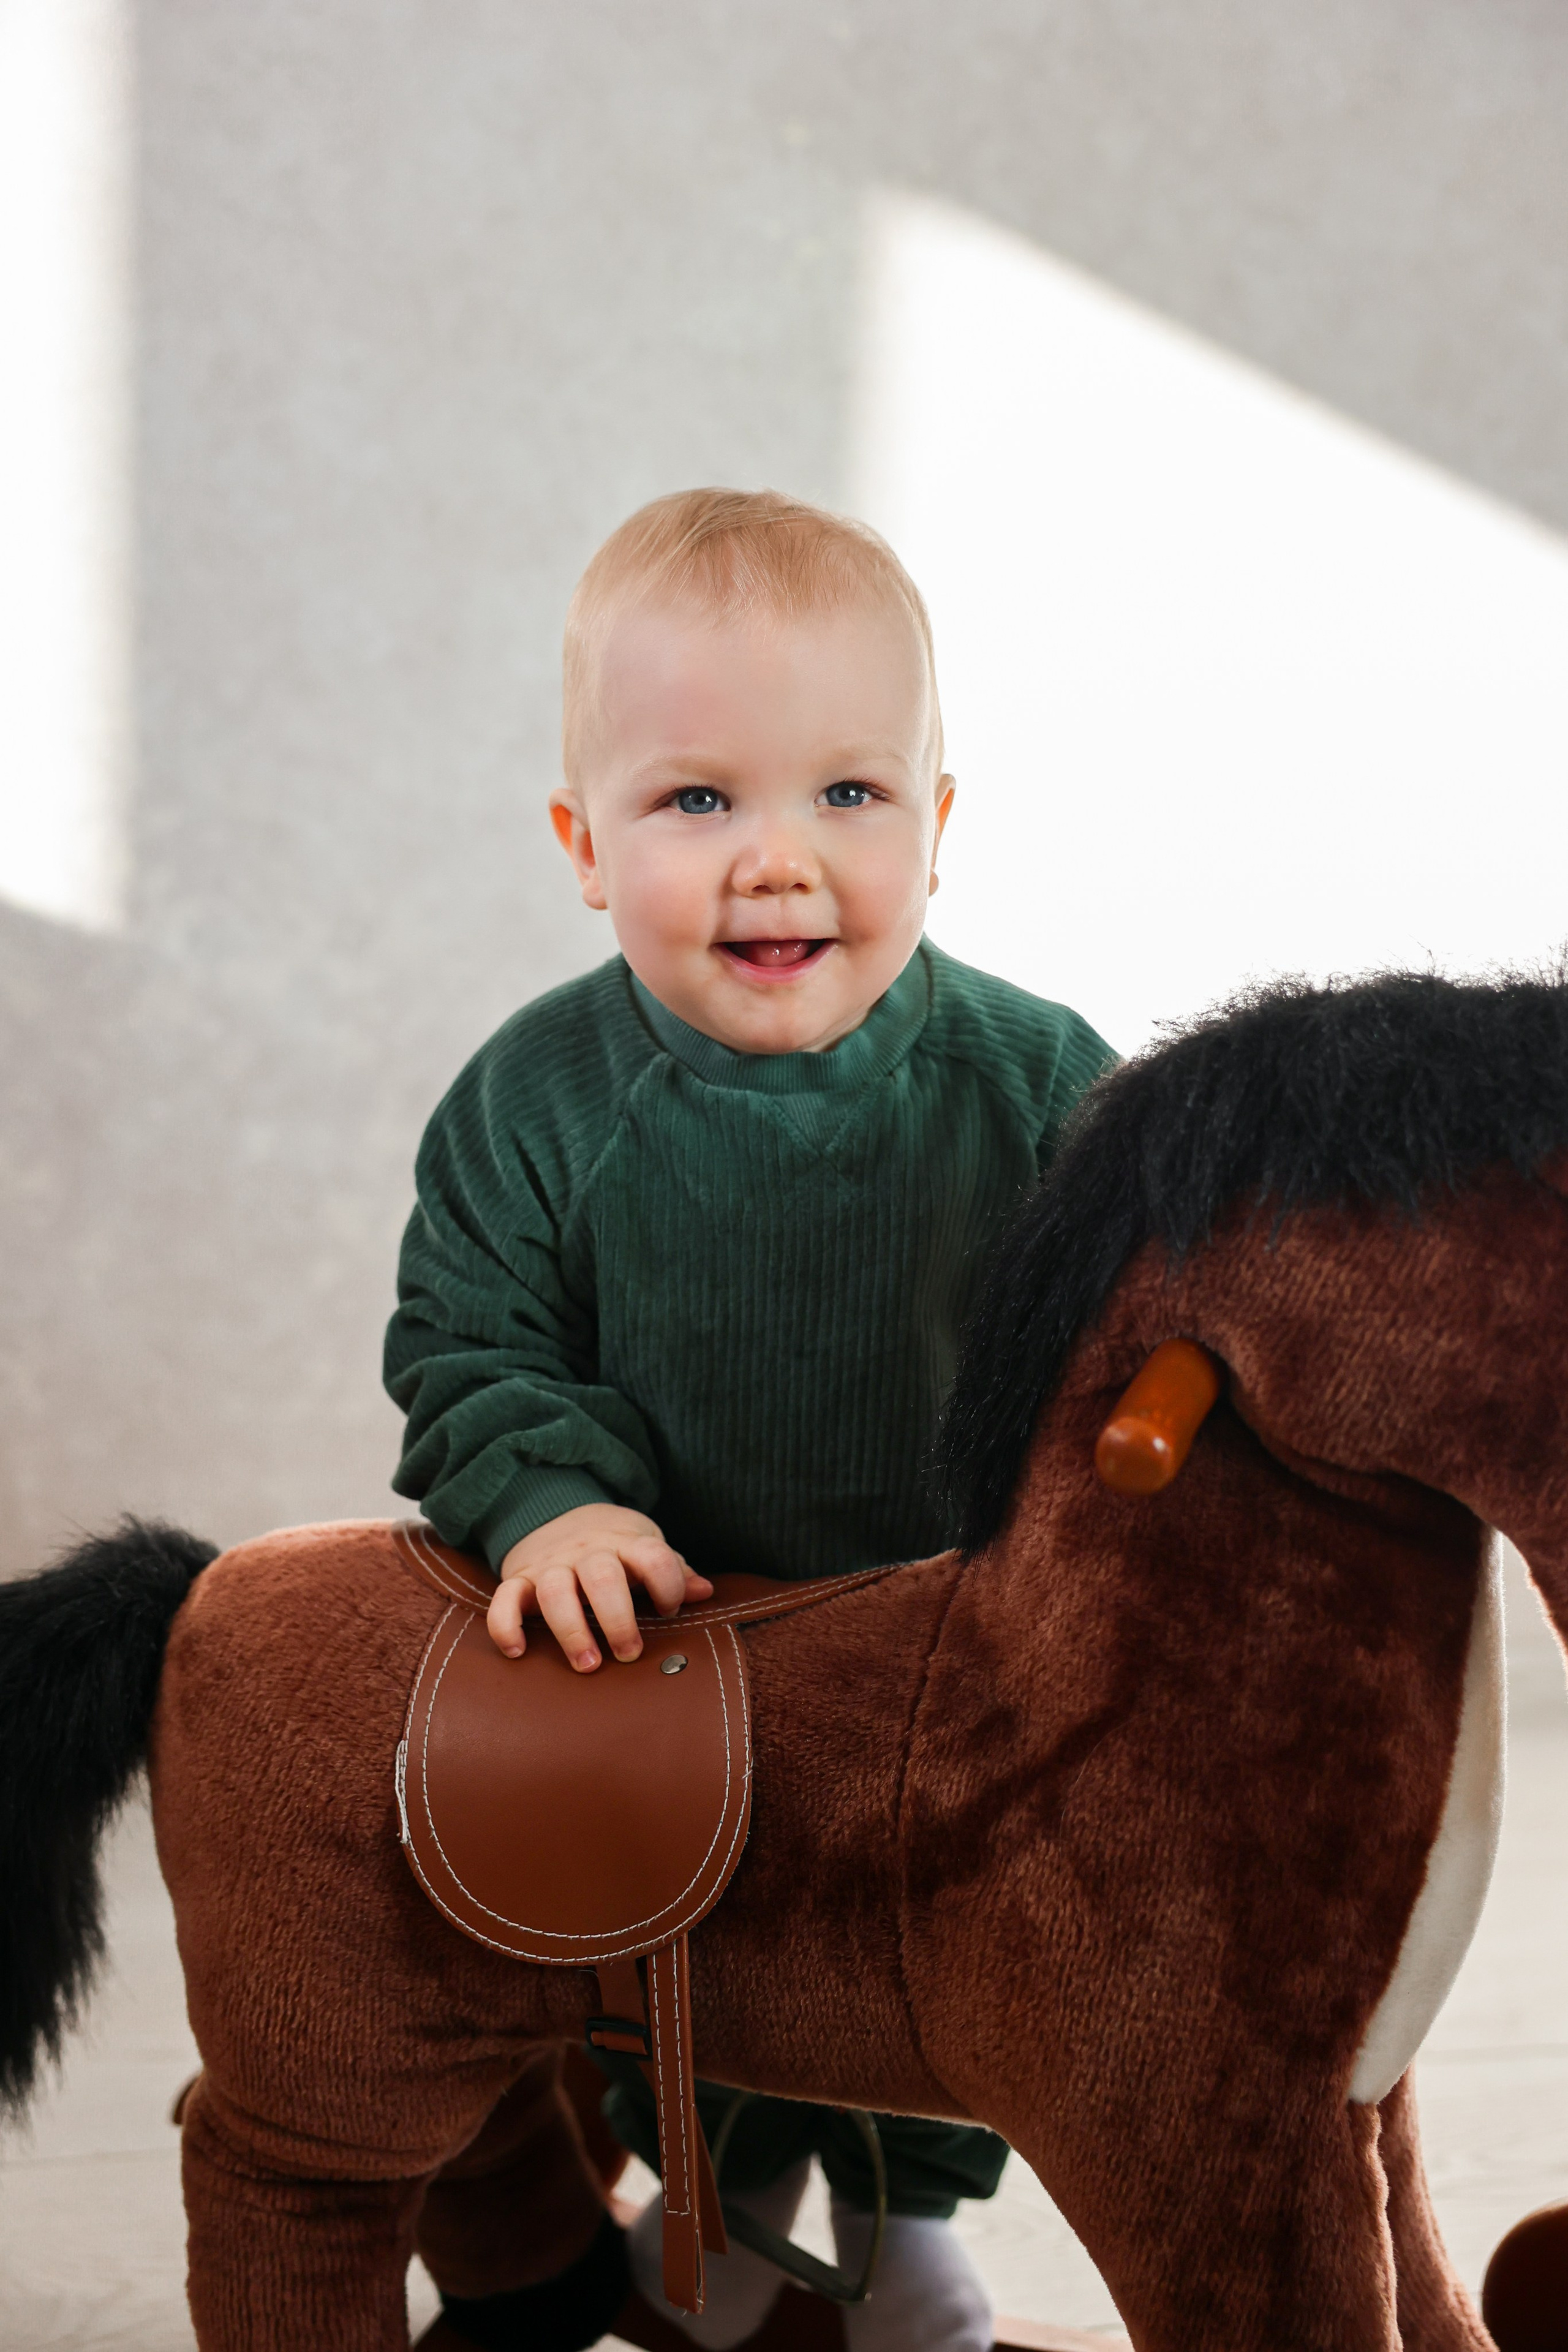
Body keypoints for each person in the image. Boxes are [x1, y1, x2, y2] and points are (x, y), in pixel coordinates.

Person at [385, 486, 1113, 2352]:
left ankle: (907, 2225)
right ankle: (705, 2208)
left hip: (953, 1651)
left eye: (848, 794)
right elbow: (467, 1336)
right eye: (698, 800)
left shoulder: (1042, 1085)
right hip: (671, 1656)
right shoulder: (538, 1101)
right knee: (677, 1950)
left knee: (953, 1946)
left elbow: (1158, 1313)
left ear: (938, 824)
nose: (777, 863)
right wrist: (553, 1502)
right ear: (585, 842)